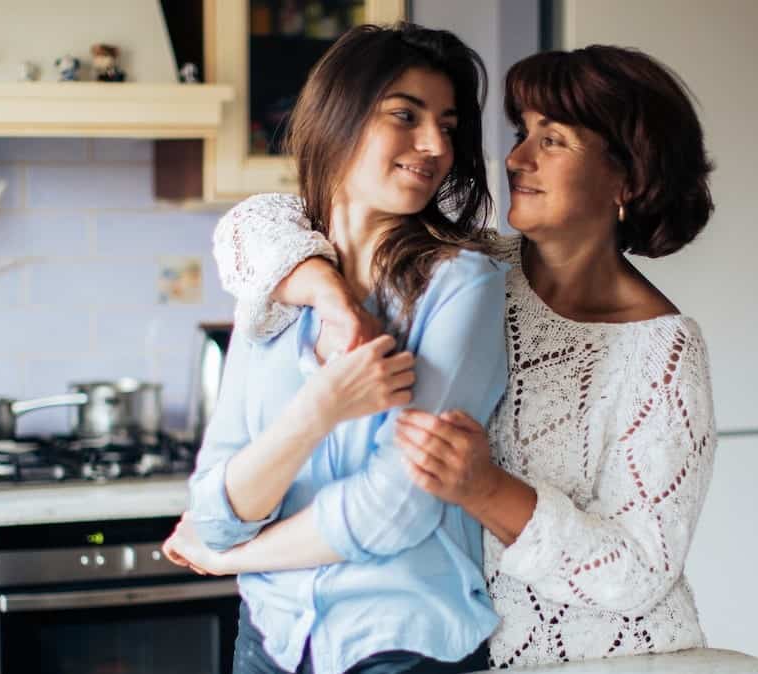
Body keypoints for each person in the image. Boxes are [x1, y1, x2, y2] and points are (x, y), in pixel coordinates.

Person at [172, 45, 718, 669]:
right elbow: (258, 227)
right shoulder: (481, 267)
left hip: (598, 657)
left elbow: (641, 571)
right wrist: (328, 294)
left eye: (554, 140)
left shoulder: (660, 350)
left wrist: (486, 489)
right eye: (522, 133)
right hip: (459, 642)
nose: (516, 158)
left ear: (629, 179)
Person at [166, 23, 511, 674]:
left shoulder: (460, 284)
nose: (435, 144)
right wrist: (316, 412)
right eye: (405, 115)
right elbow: (212, 509)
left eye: (448, 123)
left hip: (401, 645)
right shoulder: (274, 280)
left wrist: (232, 559)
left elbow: (396, 511)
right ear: (340, 116)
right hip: (268, 638)